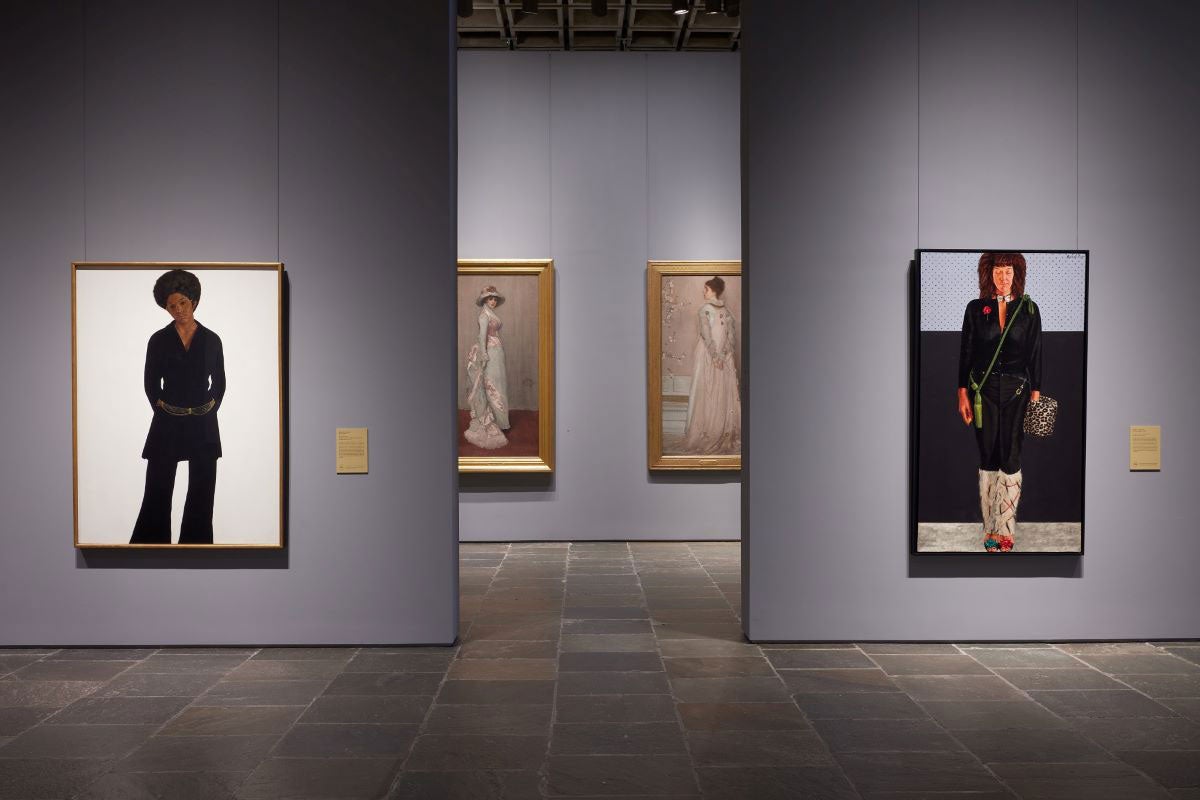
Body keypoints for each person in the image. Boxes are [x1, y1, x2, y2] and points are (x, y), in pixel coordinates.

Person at [130, 269, 225, 544]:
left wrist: (206, 412)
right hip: (167, 422)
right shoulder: (158, 340)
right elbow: (150, 383)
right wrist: (163, 410)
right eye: (171, 305)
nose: (178, 310)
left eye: (182, 302)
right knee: (157, 490)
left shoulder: (212, 339)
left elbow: (220, 383)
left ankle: (197, 547)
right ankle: (149, 546)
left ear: (193, 301)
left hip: (204, 424)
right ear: (165, 307)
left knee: (202, 492)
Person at [957, 252, 1042, 552]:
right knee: (988, 455)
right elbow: (966, 351)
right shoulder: (974, 309)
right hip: (984, 392)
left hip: (1018, 392)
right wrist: (962, 393)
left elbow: (1036, 353)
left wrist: (1036, 394)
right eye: (998, 271)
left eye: (1008, 271)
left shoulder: (1029, 309)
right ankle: (989, 529)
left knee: (1012, 455)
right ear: (988, 273)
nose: (1003, 277)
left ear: (1016, 274)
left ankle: (1006, 529)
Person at [682, 276, 741, 455]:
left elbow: (707, 336)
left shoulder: (704, 310)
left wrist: (715, 356)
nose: (704, 292)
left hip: (708, 355)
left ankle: (708, 432)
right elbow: (731, 338)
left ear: (713, 290)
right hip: (723, 356)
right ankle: (719, 430)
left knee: (706, 391)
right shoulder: (728, 312)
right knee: (720, 391)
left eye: (706, 289)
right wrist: (722, 356)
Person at [464, 285, 510, 449]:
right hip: (490, 352)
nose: (493, 301)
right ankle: (491, 421)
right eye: (490, 298)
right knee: (492, 385)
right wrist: (483, 354)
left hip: (497, 351)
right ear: (484, 300)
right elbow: (481, 336)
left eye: (495, 299)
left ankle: (500, 421)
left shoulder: (491, 314)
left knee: (499, 384)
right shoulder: (484, 315)